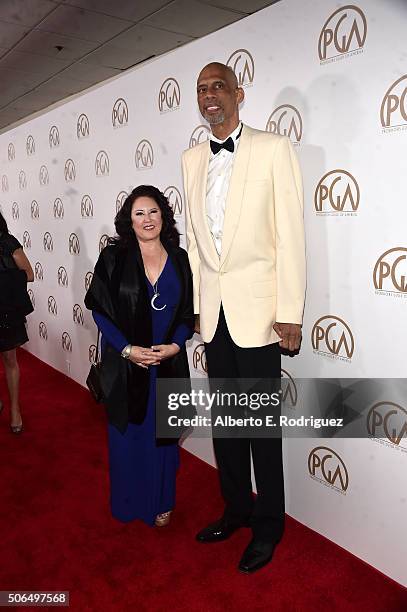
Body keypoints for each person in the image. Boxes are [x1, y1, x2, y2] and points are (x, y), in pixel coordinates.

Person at [182, 63, 306, 573]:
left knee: (260, 428)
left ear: (239, 94)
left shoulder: (273, 148)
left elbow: (290, 234)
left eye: (217, 87)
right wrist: (194, 306)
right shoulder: (191, 159)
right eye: (201, 90)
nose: (209, 97)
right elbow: (195, 240)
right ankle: (236, 509)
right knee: (228, 426)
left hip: (259, 316)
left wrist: (290, 311)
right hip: (214, 316)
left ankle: (269, 526)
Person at [84, 185, 194, 527]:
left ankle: (162, 500)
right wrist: (128, 350)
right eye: (139, 213)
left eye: (153, 212)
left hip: (167, 363)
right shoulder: (113, 258)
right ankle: (129, 500)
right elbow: (100, 310)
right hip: (125, 363)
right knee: (127, 436)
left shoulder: (180, 258)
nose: (148, 219)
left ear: (164, 215)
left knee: (163, 438)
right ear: (128, 220)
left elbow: (188, 314)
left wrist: (176, 345)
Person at [0, 212, 34, 434]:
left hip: (5, 311)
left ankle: (14, 409)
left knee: (9, 359)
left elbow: (29, 274)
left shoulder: (7, 242)